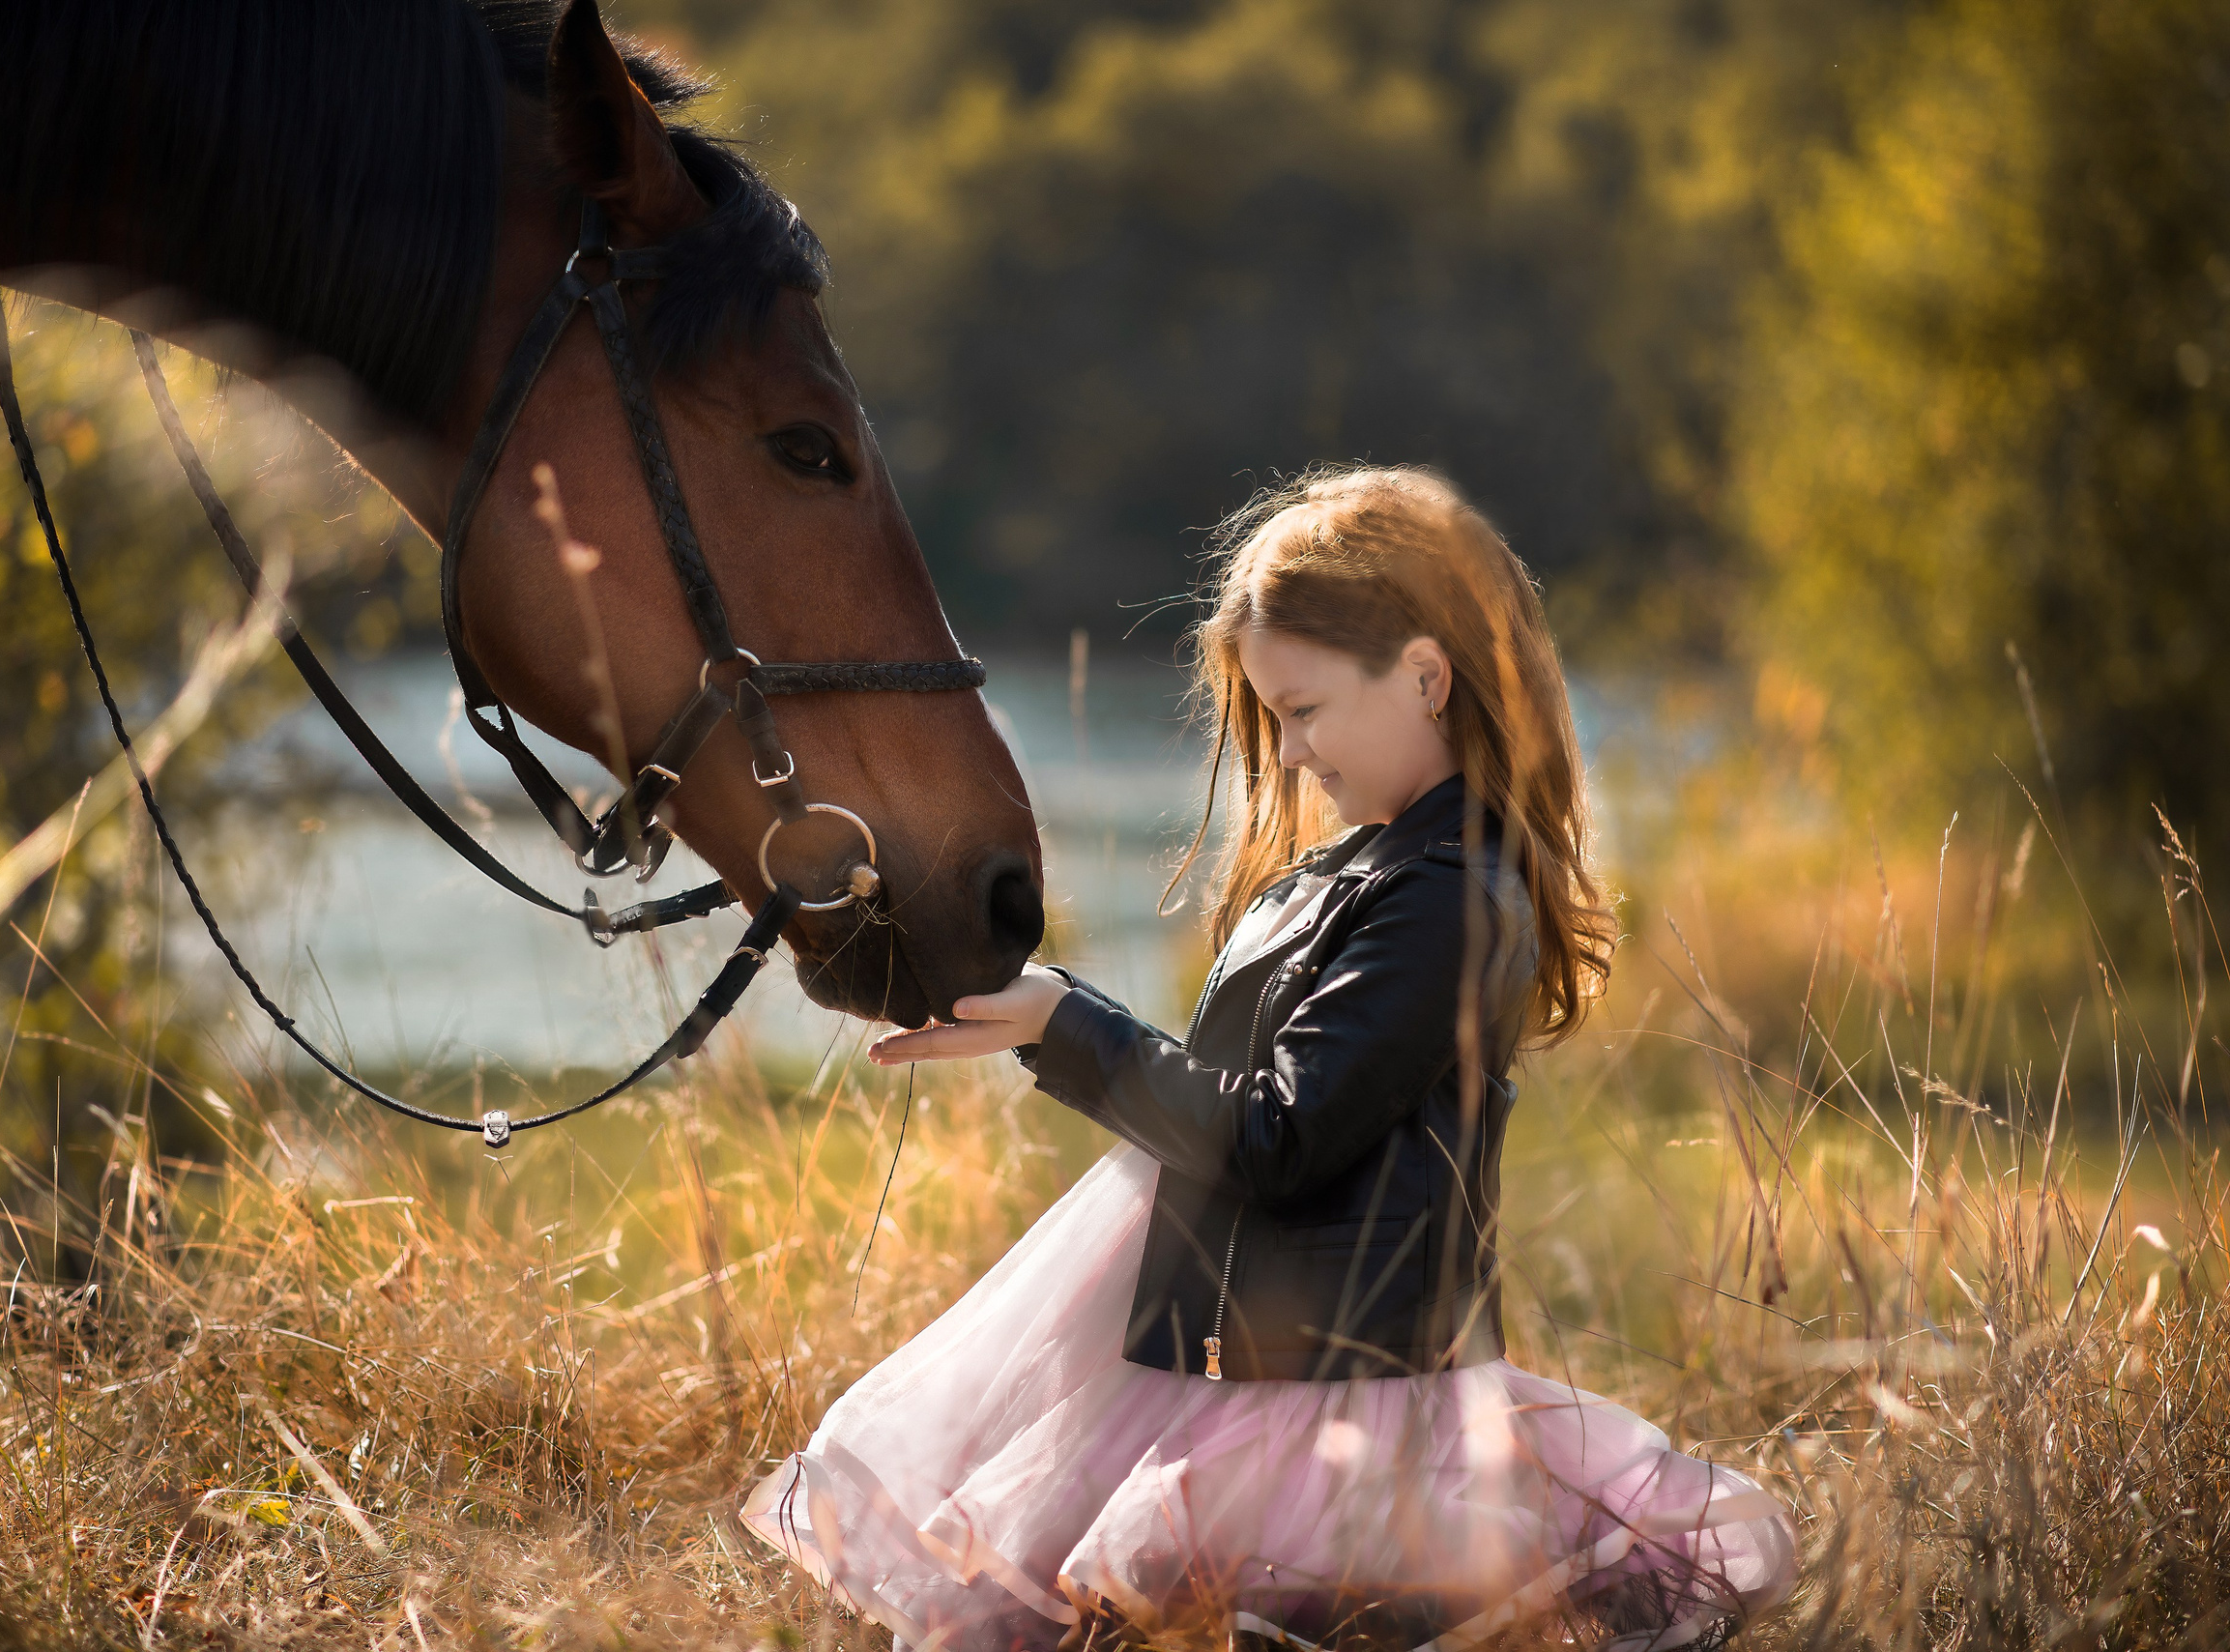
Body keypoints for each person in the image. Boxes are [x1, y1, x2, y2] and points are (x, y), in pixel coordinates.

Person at [741, 467, 1798, 1650]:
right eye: (1272, 718)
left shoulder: (1448, 895)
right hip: (1231, 1349)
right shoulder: (1344, 876)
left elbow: (1277, 1137)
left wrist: (1066, 1026)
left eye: (1302, 710)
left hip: (1327, 1380)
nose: (1287, 754)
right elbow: (1236, 1095)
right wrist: (1046, 1015)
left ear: (1424, 675)